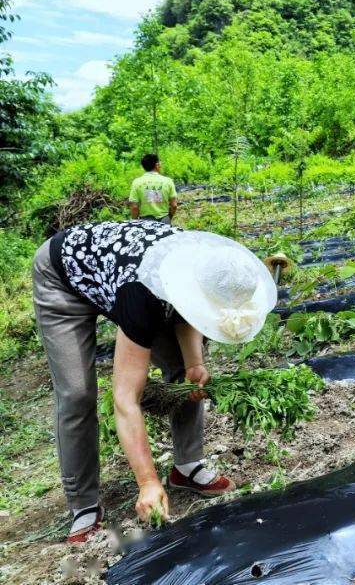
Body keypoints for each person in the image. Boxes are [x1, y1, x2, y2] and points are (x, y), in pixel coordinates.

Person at [32, 221, 277, 542]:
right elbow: (124, 399)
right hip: (63, 276)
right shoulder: (140, 290)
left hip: (122, 276)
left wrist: (195, 363)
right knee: (77, 393)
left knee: (182, 368)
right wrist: (147, 482)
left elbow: (190, 312)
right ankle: (83, 503)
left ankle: (187, 466)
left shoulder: (204, 266)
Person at [129, 154, 177, 224]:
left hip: (145, 222)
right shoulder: (168, 181)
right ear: (157, 165)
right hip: (164, 220)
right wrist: (169, 217)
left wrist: (135, 222)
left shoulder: (137, 182)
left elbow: (134, 208)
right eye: (160, 163)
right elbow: (174, 205)